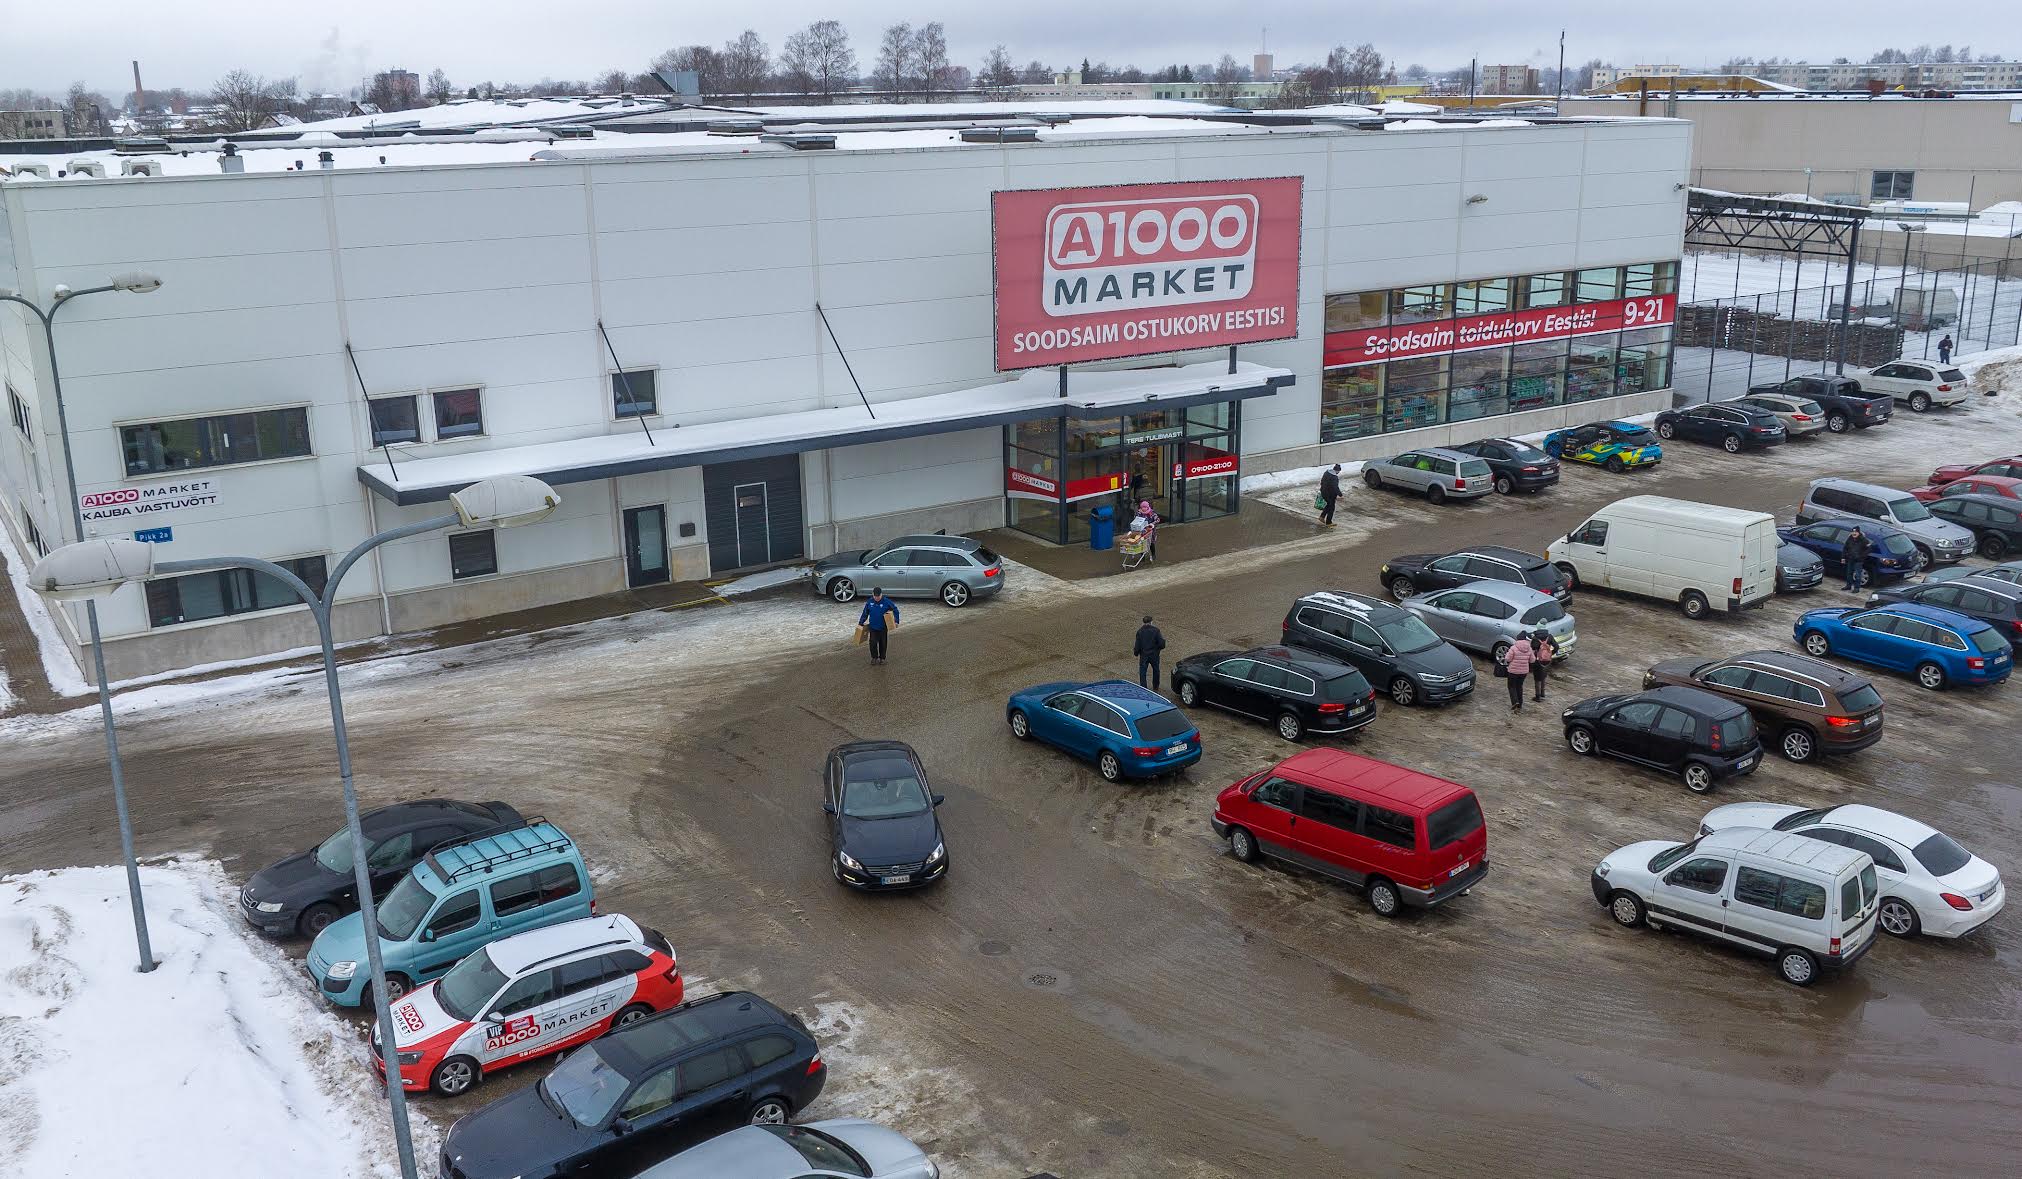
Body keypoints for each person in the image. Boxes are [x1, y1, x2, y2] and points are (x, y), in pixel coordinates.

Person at [858, 587, 898, 664]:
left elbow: (895, 610)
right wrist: (861, 622)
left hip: (883, 627)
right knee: (872, 643)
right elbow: (865, 613)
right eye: (875, 596)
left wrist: (896, 621)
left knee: (883, 643)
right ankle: (874, 657)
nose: (877, 598)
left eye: (878, 596)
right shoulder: (870, 602)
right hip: (873, 627)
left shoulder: (886, 601)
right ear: (873, 595)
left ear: (881, 594)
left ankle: (882, 658)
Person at [1498, 635, 1535, 713]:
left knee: (1511, 686)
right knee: (1519, 687)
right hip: (1524, 672)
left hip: (1513, 671)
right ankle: (1520, 704)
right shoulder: (1529, 648)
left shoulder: (1514, 648)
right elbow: (1532, 660)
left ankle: (1515, 702)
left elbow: (1507, 658)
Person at [1134, 615, 1167, 691]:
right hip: (1154, 655)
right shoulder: (1156, 631)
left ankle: (1144, 688)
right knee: (1156, 670)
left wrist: (1136, 653)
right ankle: (1155, 686)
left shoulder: (1140, 632)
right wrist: (1157, 649)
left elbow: (1137, 645)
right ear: (1151, 622)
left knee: (1143, 672)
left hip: (1144, 655)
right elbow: (1161, 644)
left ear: (1143, 622)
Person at [1528, 629, 1556, 702]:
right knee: (1543, 676)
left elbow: (1532, 648)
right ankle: (1543, 693)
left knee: (1537, 679)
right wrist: (1551, 653)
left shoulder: (1535, 639)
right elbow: (1556, 646)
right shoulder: (1549, 637)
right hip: (1547, 660)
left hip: (1537, 661)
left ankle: (1538, 696)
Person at [1841, 526, 1870, 593]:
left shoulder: (1863, 540)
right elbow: (1845, 548)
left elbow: (1869, 549)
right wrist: (1843, 557)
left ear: (1858, 532)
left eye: (1855, 532)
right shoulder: (1849, 539)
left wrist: (1862, 556)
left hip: (1858, 561)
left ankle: (1857, 588)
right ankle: (1848, 586)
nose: (1854, 533)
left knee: (1857, 575)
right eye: (1853, 532)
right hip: (1850, 559)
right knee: (1849, 573)